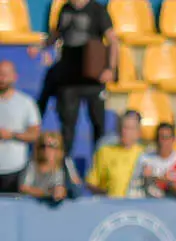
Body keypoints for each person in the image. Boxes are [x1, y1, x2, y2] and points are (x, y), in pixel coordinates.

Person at [29, 0, 119, 155]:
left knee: (98, 124)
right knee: (67, 124)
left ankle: (99, 162)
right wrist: (41, 46)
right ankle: (65, 162)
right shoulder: (65, 8)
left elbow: (112, 40)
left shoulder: (97, 10)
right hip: (69, 78)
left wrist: (110, 68)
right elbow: (56, 35)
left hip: (92, 78)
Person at [0, 60, 41, 193]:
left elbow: (35, 134)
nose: (1, 78)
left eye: (5, 75)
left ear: (14, 77)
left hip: (15, 169)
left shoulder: (26, 103)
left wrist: (11, 135)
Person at [85, 110, 144, 197]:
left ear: (138, 132)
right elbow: (91, 183)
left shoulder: (145, 155)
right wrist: (105, 195)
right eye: (123, 127)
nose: (126, 132)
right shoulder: (105, 152)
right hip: (111, 206)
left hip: (135, 207)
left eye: (131, 129)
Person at [129, 123, 176, 198]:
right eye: (158, 138)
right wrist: (143, 178)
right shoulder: (145, 159)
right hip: (148, 205)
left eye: (165, 138)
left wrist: (167, 182)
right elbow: (133, 186)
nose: (161, 142)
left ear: (173, 139)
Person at [18, 132, 81, 202]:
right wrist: (47, 193)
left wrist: (64, 191)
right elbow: (24, 188)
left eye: (51, 146)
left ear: (59, 148)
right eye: (43, 146)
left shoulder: (67, 163)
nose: (46, 150)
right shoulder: (32, 164)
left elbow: (76, 187)